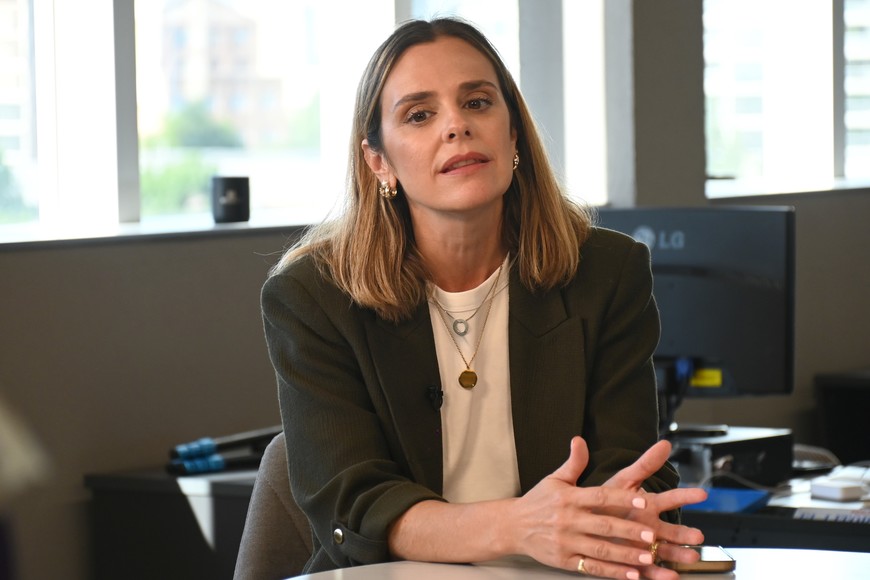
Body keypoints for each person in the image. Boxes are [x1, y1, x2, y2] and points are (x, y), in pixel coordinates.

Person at [261, 17, 707, 580]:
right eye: (419, 115)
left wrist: (628, 512)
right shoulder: (313, 297)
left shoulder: (606, 272)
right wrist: (519, 526)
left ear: (513, 131)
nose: (457, 126)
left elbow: (625, 464)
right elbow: (355, 505)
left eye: (477, 102)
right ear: (379, 161)